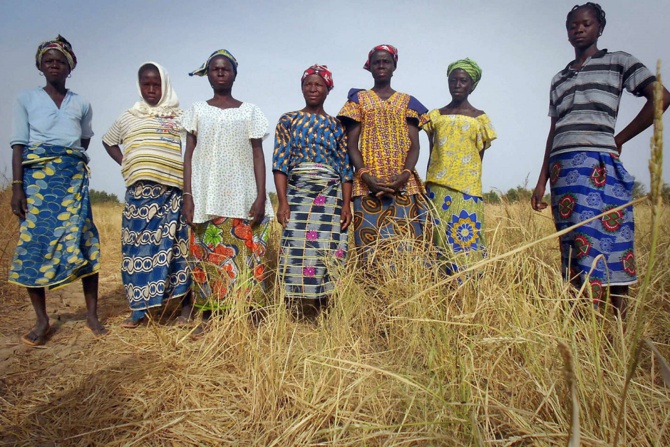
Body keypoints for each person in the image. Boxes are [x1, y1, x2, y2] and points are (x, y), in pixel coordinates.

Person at [531, 3, 670, 318]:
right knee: (574, 246)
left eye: (586, 24)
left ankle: (616, 327)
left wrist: (619, 139)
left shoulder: (618, 61)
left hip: (598, 165)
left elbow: (661, 96)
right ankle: (583, 326)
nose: (578, 29)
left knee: (610, 242)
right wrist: (542, 180)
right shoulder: (559, 78)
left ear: (599, 28)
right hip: (562, 170)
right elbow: (554, 129)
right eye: (572, 26)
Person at [9, 35, 106, 345]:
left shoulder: (82, 104)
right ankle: (42, 320)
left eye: (60, 61)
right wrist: (17, 188)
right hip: (37, 180)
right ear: (41, 65)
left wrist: (67, 160)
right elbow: (18, 146)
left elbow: (84, 140)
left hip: (72, 180)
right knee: (34, 244)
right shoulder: (25, 99)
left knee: (85, 238)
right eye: (48, 60)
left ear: (69, 67)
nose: (54, 64)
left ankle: (91, 315)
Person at [182, 49, 273, 331]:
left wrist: (260, 195)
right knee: (207, 255)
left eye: (226, 69)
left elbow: (258, 154)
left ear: (235, 73)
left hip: (242, 195)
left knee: (246, 255)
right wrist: (188, 195)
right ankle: (210, 315)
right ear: (207, 74)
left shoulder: (250, 111)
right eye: (215, 69)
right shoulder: (196, 109)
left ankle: (247, 312)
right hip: (207, 194)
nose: (220, 73)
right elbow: (189, 154)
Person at [103, 62, 193, 328]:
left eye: (156, 84)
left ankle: (185, 309)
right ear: (139, 85)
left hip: (172, 195)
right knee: (136, 252)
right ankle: (139, 312)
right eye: (146, 84)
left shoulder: (180, 116)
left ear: (164, 85)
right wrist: (128, 163)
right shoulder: (128, 116)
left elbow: (191, 149)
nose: (151, 89)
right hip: (139, 198)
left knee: (178, 251)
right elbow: (108, 141)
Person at [273, 64, 353, 317]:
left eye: (319, 84)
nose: (313, 89)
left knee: (328, 249)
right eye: (308, 84)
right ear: (301, 87)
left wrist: (346, 204)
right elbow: (280, 163)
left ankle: (324, 307)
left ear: (328, 89)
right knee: (294, 247)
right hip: (297, 193)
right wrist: (283, 201)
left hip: (330, 197)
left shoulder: (337, 126)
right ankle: (292, 308)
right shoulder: (288, 120)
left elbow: (345, 169)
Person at [338, 45, 429, 258]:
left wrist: (404, 175)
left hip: (403, 183)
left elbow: (414, 145)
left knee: (407, 247)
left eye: (386, 61)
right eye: (376, 62)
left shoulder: (408, 102)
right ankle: (373, 291)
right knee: (370, 248)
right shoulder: (358, 100)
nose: (381, 66)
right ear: (369, 67)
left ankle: (404, 290)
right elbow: (352, 145)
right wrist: (366, 177)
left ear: (394, 66)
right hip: (367, 184)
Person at [424, 58, 497, 273]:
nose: (457, 85)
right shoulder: (435, 116)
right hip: (437, 188)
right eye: (453, 80)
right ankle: (439, 290)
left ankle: (468, 291)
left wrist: (467, 181)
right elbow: (432, 152)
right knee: (437, 244)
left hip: (467, 191)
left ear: (472, 85)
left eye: (463, 81)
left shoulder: (480, 118)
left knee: (466, 241)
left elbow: (478, 157)